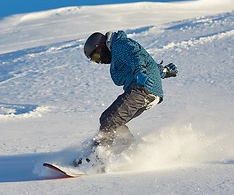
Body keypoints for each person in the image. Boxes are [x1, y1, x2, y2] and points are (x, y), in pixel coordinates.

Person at [74, 30, 178, 168]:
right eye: (95, 61)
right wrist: (163, 71)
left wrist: (140, 70)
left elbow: (136, 56)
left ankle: (98, 160)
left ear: (101, 46)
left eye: (97, 56)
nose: (99, 61)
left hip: (142, 90)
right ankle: (133, 152)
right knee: (116, 123)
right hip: (147, 91)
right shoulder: (119, 49)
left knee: (109, 119)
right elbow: (148, 62)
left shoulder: (120, 45)